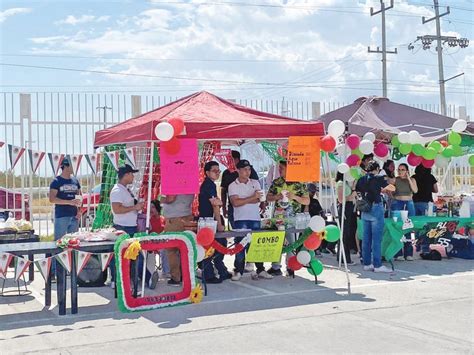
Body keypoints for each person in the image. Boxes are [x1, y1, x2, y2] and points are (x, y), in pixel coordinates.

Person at [228, 159, 273, 281]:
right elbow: (235, 203)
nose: (247, 172)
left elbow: (260, 200)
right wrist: (253, 197)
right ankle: (238, 270)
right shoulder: (232, 186)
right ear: (238, 170)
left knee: (257, 245)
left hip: (255, 218)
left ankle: (260, 269)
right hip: (240, 219)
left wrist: (246, 199)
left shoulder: (255, 182)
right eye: (244, 169)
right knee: (240, 245)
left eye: (249, 169)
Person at [266, 160, 310, 276]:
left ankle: (291, 267)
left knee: (291, 242)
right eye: (279, 168)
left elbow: (307, 200)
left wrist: (294, 197)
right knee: (277, 241)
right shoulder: (277, 182)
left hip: (292, 218)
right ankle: (275, 267)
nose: (279, 170)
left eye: (282, 168)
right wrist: (277, 196)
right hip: (278, 217)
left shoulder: (299, 183)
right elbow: (268, 197)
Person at [356, 161, 395, 273]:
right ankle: (377, 265)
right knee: (377, 239)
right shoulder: (379, 178)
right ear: (377, 168)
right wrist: (382, 187)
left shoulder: (361, 179)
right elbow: (392, 188)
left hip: (365, 209)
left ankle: (367, 263)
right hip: (376, 208)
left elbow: (358, 191)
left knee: (366, 238)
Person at [110, 164, 144, 290]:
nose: (133, 177)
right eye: (131, 174)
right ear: (126, 175)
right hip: (122, 227)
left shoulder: (125, 190)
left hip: (130, 226)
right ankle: (115, 279)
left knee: (133, 254)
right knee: (120, 254)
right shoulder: (117, 191)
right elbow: (117, 209)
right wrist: (134, 207)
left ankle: (130, 278)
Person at [49, 158, 82, 278]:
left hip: (74, 217)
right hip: (61, 216)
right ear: (66, 166)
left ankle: (71, 269)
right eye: (73, 165)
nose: (75, 168)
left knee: (73, 243)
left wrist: (79, 211)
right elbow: (52, 199)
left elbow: (79, 197)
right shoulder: (56, 181)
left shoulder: (75, 180)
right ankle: (54, 271)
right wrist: (69, 202)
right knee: (59, 244)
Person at [198, 161, 230, 283]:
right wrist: (220, 223)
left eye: (218, 171)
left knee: (219, 245)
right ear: (207, 172)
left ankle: (221, 270)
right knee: (210, 247)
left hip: (209, 220)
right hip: (208, 221)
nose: (217, 173)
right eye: (214, 171)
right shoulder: (208, 185)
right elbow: (215, 205)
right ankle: (209, 274)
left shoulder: (210, 184)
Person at [161, 193, 195, 285]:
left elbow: (171, 198)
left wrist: (161, 199)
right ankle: (186, 275)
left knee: (172, 249)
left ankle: (176, 277)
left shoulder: (174, 181)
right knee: (186, 249)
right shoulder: (190, 181)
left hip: (175, 219)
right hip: (187, 216)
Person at [221, 150, 259, 228]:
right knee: (238, 234)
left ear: (237, 159)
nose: (229, 162)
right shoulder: (226, 173)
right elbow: (224, 192)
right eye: (228, 160)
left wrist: (242, 200)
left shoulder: (251, 172)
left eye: (231, 160)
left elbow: (259, 197)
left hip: (253, 214)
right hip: (233, 207)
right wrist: (224, 207)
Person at [391, 163, 418, 261]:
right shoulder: (395, 179)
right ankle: (398, 252)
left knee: (409, 227)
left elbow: (415, 190)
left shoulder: (412, 179)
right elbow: (389, 189)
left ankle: (408, 253)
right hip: (398, 202)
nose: (400, 171)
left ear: (407, 171)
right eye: (399, 170)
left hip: (409, 202)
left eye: (402, 169)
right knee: (398, 227)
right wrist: (392, 197)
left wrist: (408, 179)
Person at [412, 165, 438, 253]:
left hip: (414, 202)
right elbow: (436, 190)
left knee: (416, 225)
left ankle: (418, 243)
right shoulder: (430, 177)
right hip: (426, 203)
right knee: (426, 226)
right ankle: (425, 247)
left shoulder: (414, 177)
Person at [335, 172, 357, 265]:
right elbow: (340, 199)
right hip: (344, 208)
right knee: (344, 233)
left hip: (349, 207)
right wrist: (352, 195)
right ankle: (345, 258)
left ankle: (342, 256)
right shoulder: (340, 183)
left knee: (346, 233)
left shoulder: (346, 183)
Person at [148, 199, 166, 289]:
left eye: (153, 207)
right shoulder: (148, 220)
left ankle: (166, 272)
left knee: (165, 250)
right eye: (150, 207)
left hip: (162, 242)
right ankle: (151, 274)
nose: (151, 209)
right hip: (151, 242)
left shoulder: (163, 219)